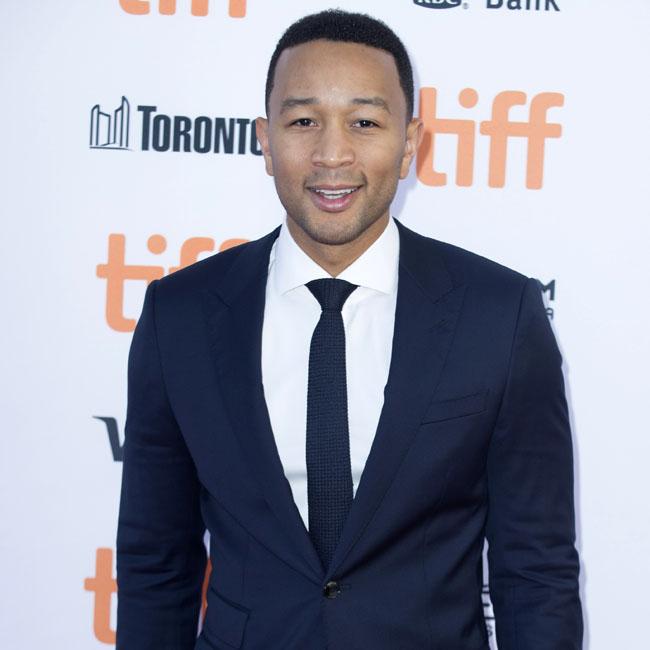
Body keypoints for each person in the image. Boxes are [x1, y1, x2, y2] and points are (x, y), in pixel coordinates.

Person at [116, 9, 583, 650]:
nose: (332, 154)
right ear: (265, 139)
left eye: (364, 122)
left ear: (410, 142)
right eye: (303, 121)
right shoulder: (181, 315)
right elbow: (156, 562)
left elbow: (536, 571)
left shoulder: (499, 315)